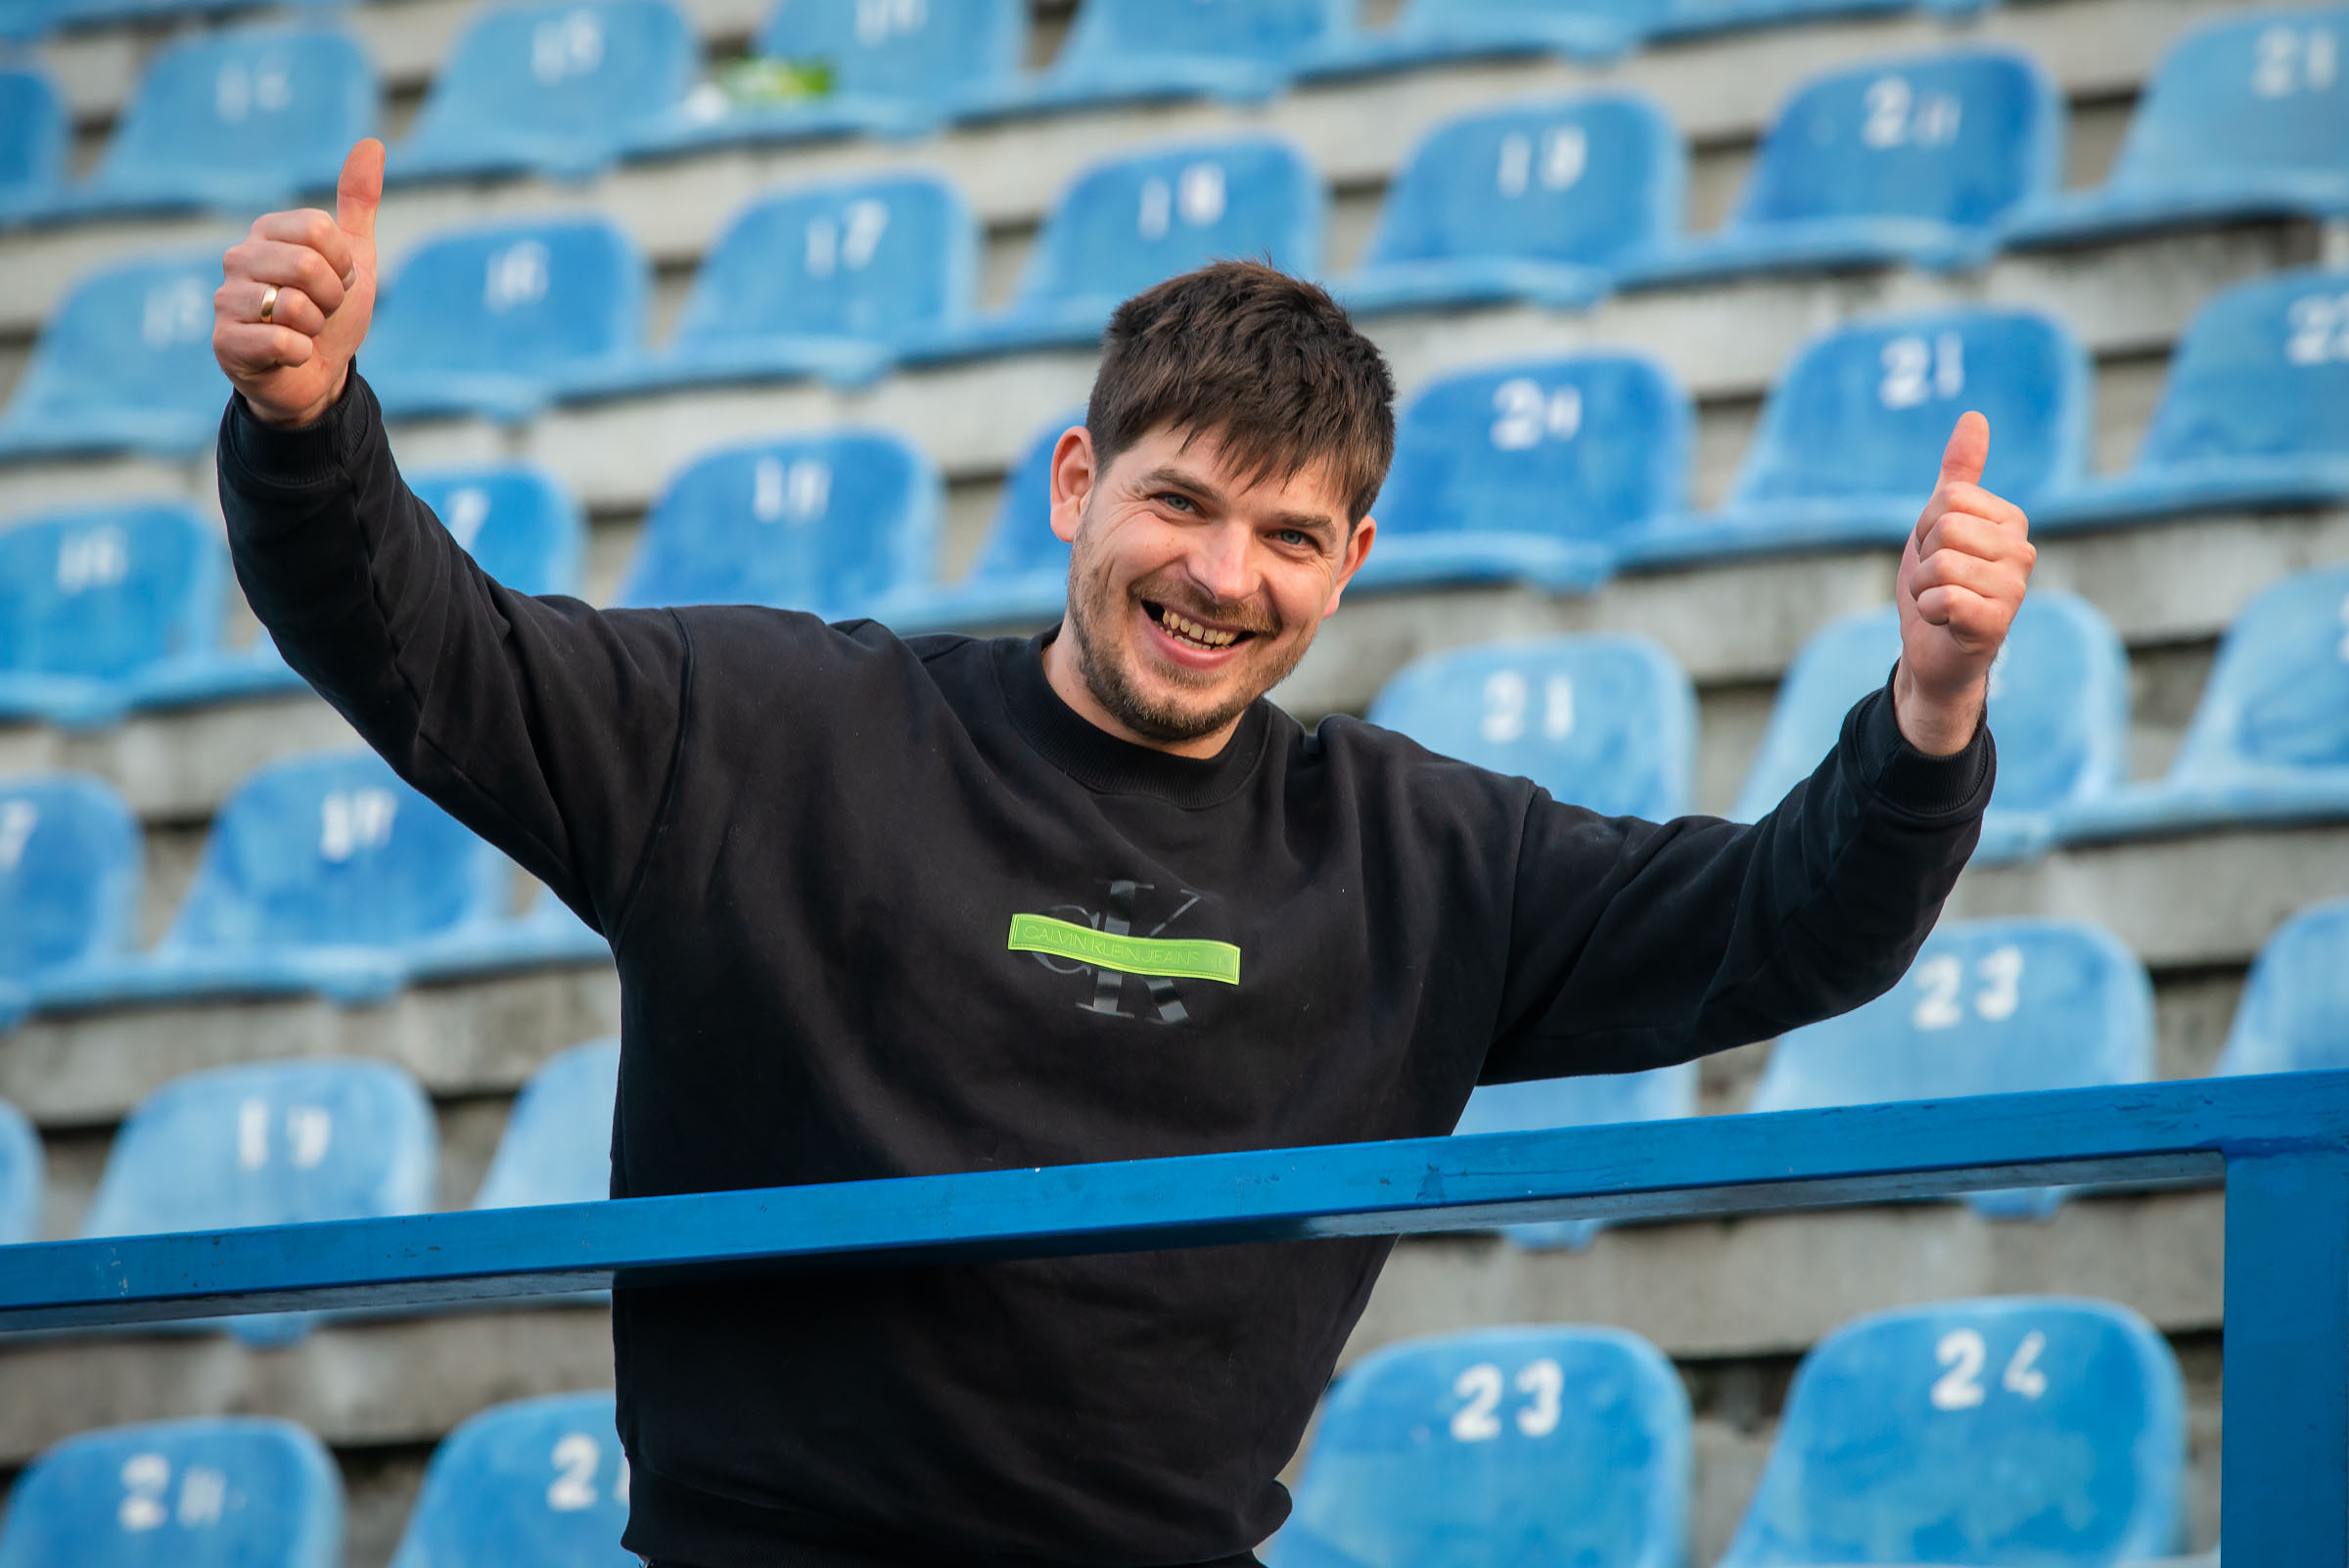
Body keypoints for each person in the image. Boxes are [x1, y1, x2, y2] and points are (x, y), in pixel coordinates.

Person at [209, 141, 2031, 1568]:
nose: (1223, 576)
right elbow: (433, 651)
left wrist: (1930, 706)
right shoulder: (766, 735)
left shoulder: (1422, 859)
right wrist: (305, 433)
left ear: (1354, 561)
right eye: (1181, 501)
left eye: (1289, 536)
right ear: (1079, 482)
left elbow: (1785, 929)